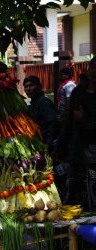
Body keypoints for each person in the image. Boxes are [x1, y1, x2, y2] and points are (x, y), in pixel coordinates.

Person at [64, 57, 96, 210]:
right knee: (75, 199)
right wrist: (60, 146)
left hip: (93, 156)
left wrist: (84, 119)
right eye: (92, 67)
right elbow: (69, 121)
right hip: (77, 152)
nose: (94, 71)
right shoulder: (78, 91)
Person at [23, 76, 58, 151]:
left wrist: (48, 143)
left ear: (39, 87)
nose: (28, 89)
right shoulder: (34, 102)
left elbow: (53, 123)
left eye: (31, 85)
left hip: (47, 143)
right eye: (26, 86)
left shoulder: (43, 102)